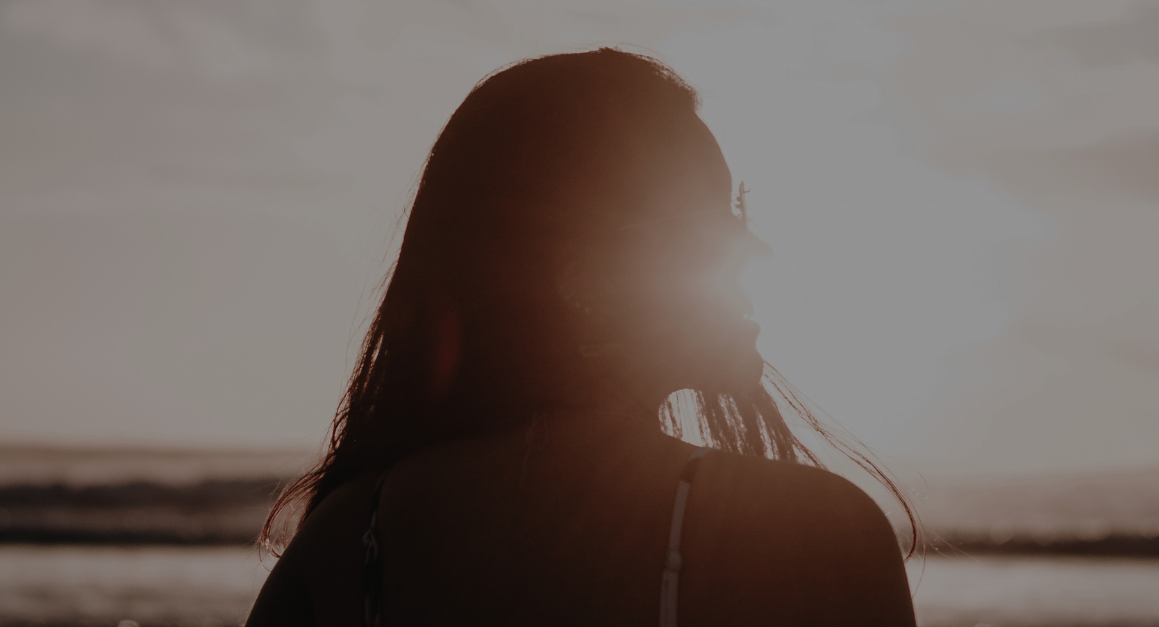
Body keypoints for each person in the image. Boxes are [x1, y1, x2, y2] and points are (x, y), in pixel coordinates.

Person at [247, 48, 917, 626]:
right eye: (710, 219)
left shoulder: (344, 543)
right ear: (586, 278)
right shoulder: (814, 536)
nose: (755, 248)